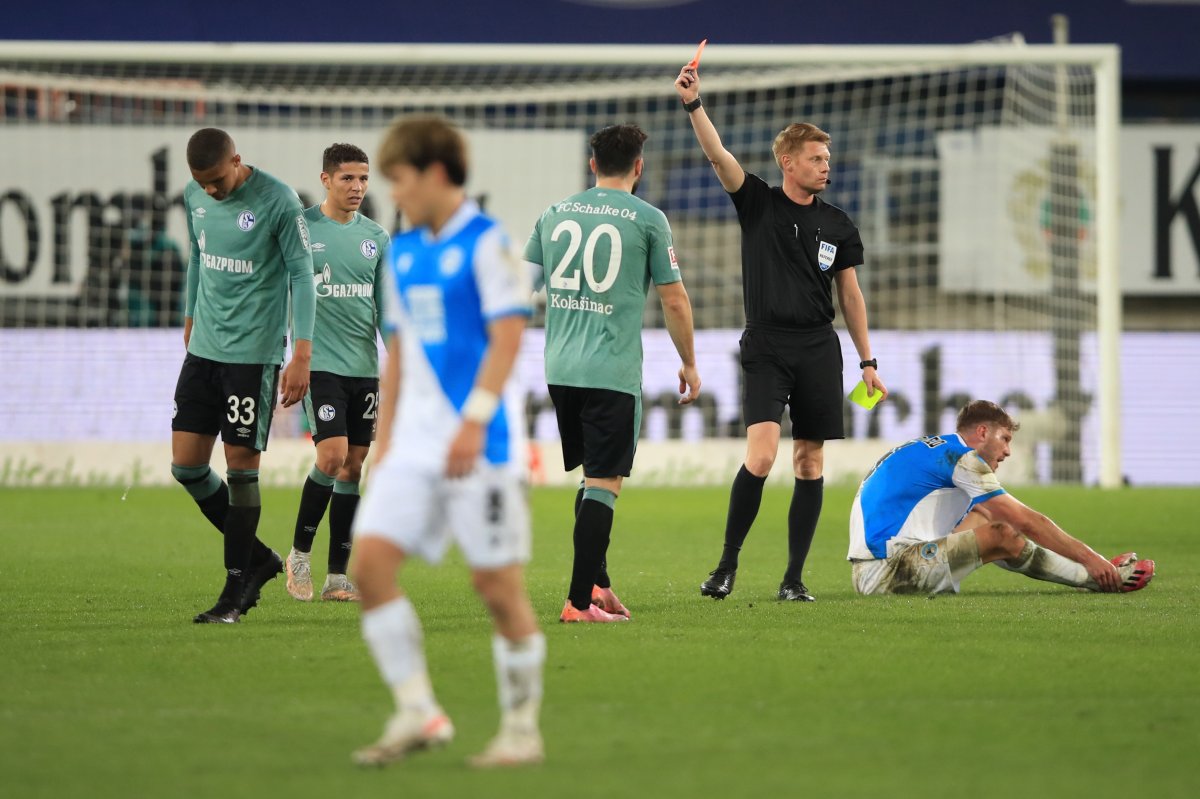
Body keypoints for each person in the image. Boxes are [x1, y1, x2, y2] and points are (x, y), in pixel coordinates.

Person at [349, 116, 544, 768]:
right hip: (414, 447)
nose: (392, 194)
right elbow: (399, 351)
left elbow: (508, 337)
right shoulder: (402, 253)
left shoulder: (491, 245)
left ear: (434, 174)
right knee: (368, 566)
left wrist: (474, 418)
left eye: (399, 181)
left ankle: (521, 729)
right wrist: (384, 439)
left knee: (496, 587)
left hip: (480, 444)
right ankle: (417, 709)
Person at [675, 62, 887, 603]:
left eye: (828, 159)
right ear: (788, 162)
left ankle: (793, 580)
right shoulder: (758, 203)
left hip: (820, 347)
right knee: (763, 456)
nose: (825, 167)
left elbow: (851, 296)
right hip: (767, 343)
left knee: (810, 460)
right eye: (816, 159)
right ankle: (725, 567)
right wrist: (695, 104)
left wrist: (868, 362)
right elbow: (718, 157)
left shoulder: (838, 223)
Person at [524, 123, 701, 623]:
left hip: (560, 368)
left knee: (592, 478)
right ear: (639, 167)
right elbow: (673, 297)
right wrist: (688, 361)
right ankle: (578, 604)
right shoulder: (648, 219)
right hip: (611, 370)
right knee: (605, 482)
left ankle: (598, 586)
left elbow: (520, 287)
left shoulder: (555, 214)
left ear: (592, 163)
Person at [171, 127, 316, 623]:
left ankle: (235, 591)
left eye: (216, 180)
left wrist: (301, 354)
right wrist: (190, 313)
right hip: (205, 351)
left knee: (240, 471)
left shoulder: (279, 201)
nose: (209, 190)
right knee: (186, 466)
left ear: (237, 160)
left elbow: (302, 275)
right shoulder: (195, 194)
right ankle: (259, 558)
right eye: (202, 183)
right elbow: (197, 254)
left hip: (252, 356)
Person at [848, 400, 1155, 595]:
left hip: (879, 565)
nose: (1008, 451)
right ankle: (1100, 579)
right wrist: (1092, 560)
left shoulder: (935, 451)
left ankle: (1096, 572)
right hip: (887, 570)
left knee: (988, 517)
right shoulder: (961, 458)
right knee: (1003, 531)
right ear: (982, 432)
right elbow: (1025, 521)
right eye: (1005, 438)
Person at [284, 143, 390, 604]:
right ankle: (299, 555)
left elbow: (385, 309)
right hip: (320, 364)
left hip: (363, 368)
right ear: (326, 179)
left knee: (353, 466)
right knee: (331, 457)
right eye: (347, 178)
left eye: (363, 178)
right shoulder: (302, 230)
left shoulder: (377, 238)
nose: (357, 187)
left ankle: (336, 578)